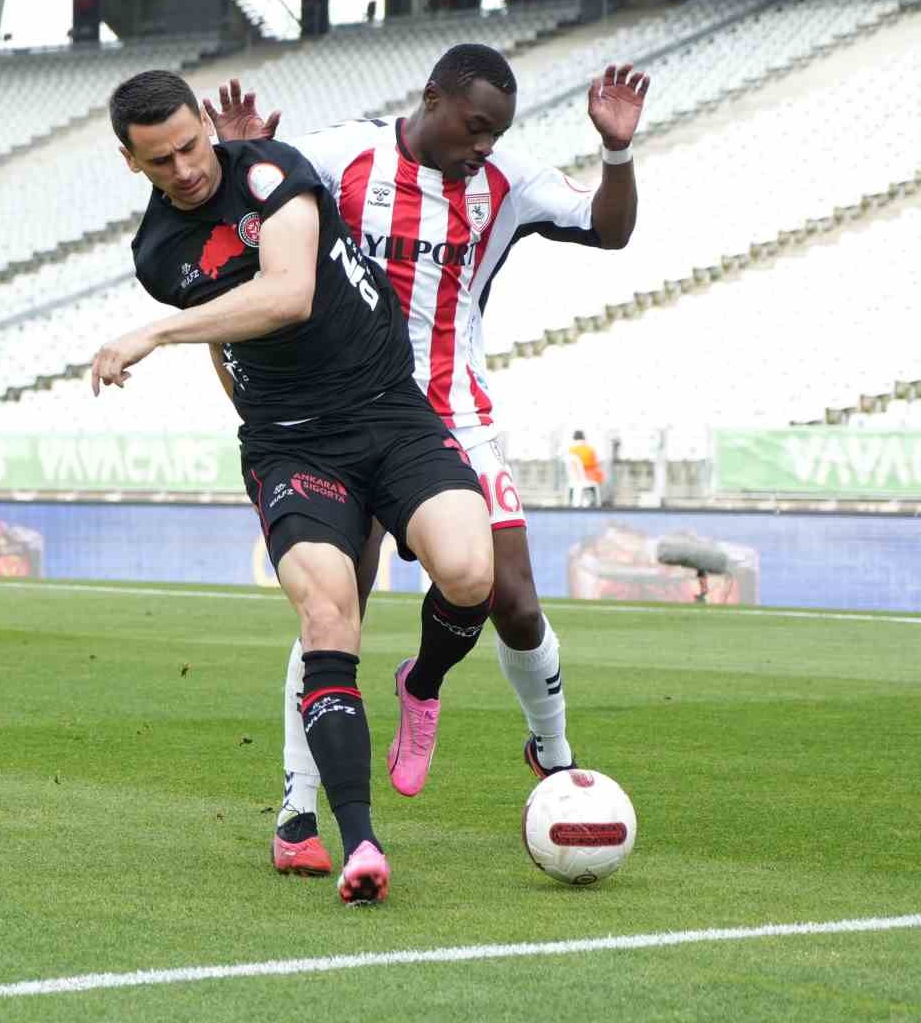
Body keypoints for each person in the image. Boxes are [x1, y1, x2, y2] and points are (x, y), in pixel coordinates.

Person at [200, 44, 648, 861]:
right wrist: (240, 158)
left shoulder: (506, 180)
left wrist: (616, 150)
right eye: (475, 126)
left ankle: (537, 746)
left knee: (506, 594)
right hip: (338, 410)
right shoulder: (341, 159)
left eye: (495, 132)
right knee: (338, 607)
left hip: (450, 411)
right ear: (433, 97)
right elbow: (248, 222)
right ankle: (298, 807)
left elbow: (610, 230)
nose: (483, 145)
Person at [93, 70, 496, 905]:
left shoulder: (272, 171)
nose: (186, 169)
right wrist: (262, 427)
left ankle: (420, 684)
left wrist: (151, 333)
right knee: (327, 614)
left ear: (210, 124)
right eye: (161, 160)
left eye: (193, 145)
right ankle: (359, 843)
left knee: (469, 574)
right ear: (131, 162)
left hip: (389, 412)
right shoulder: (157, 253)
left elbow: (286, 295)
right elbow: (226, 336)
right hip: (290, 445)